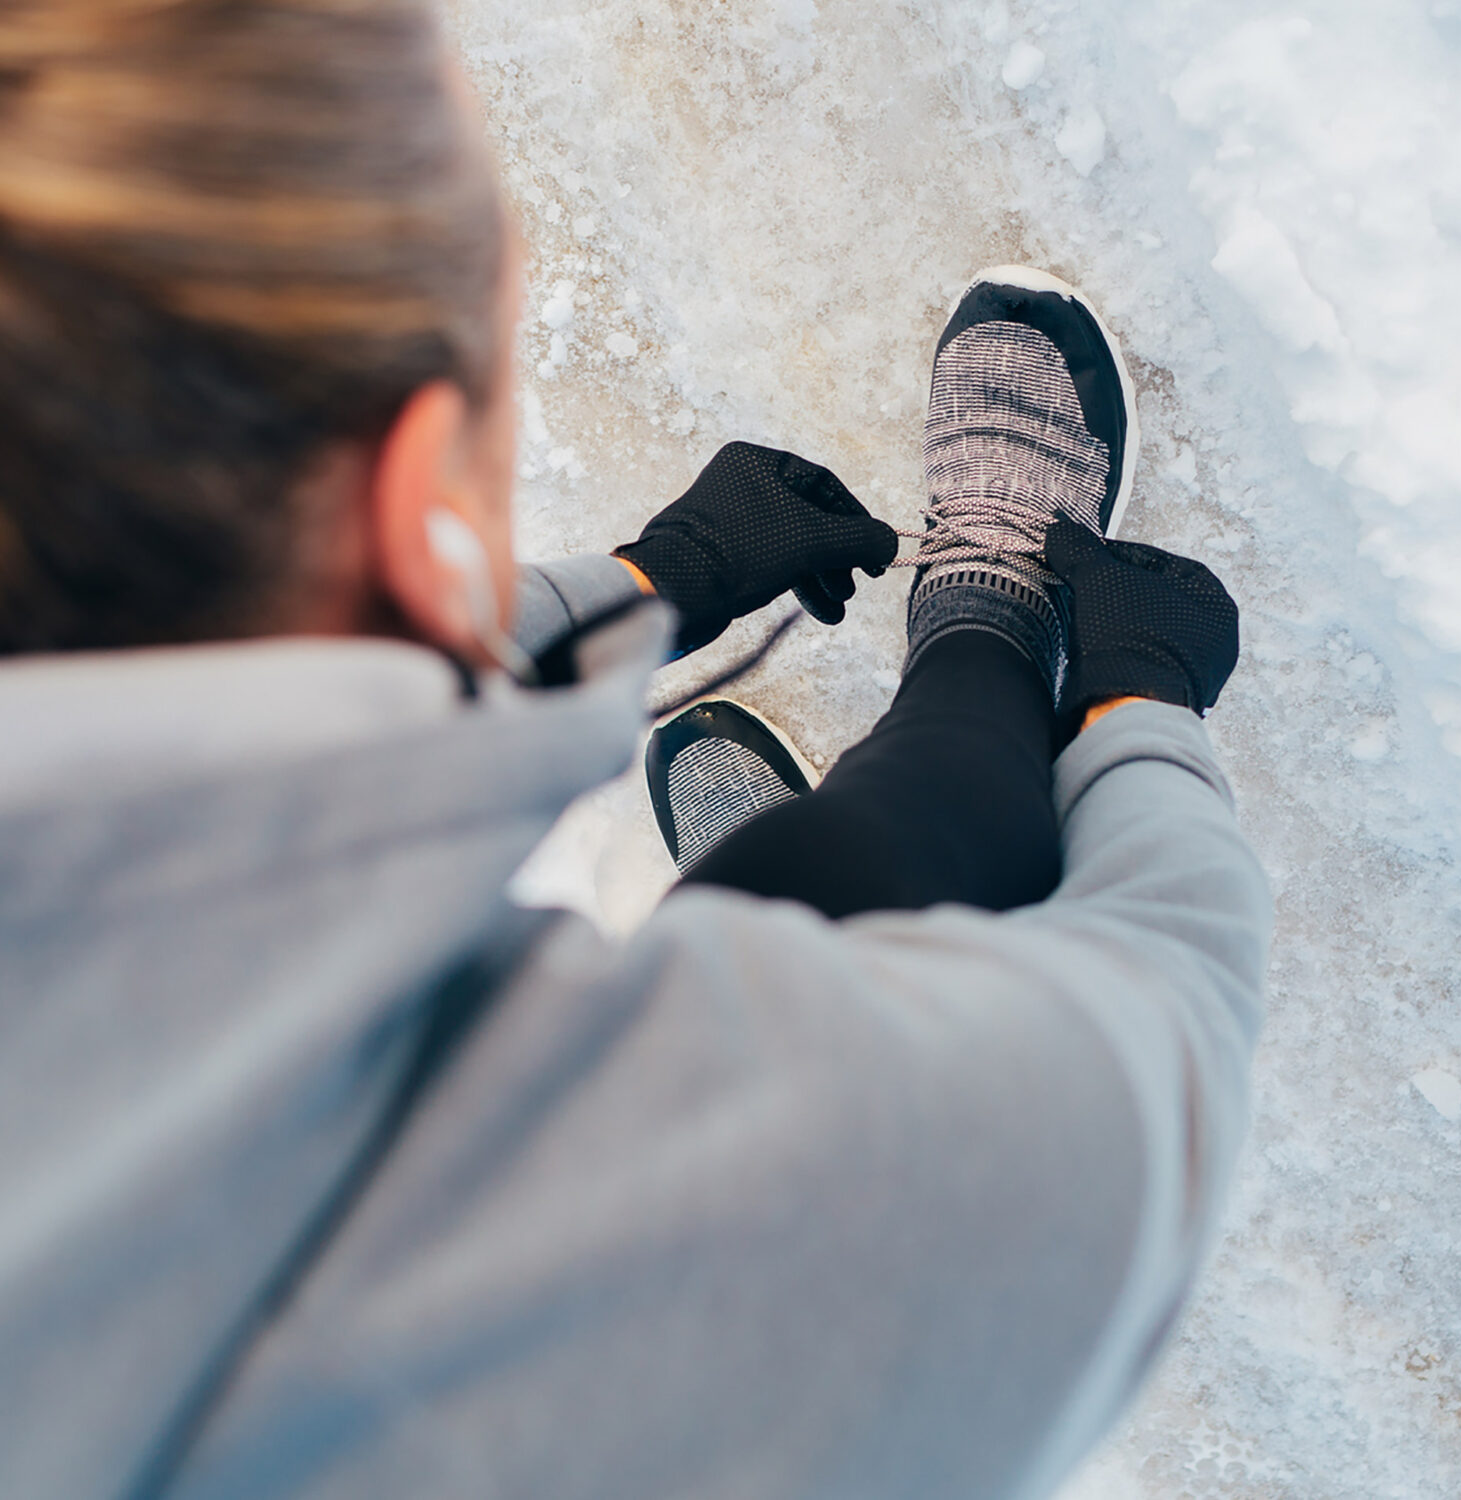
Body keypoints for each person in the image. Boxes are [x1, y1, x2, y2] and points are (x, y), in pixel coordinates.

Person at [0, 4, 1271, 1500]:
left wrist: (656, 587)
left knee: (784, 936)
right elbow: (1152, 1055)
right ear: (423, 496)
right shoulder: (609, 1327)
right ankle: (988, 621)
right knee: (833, 904)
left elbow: (264, 712)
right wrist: (1136, 706)